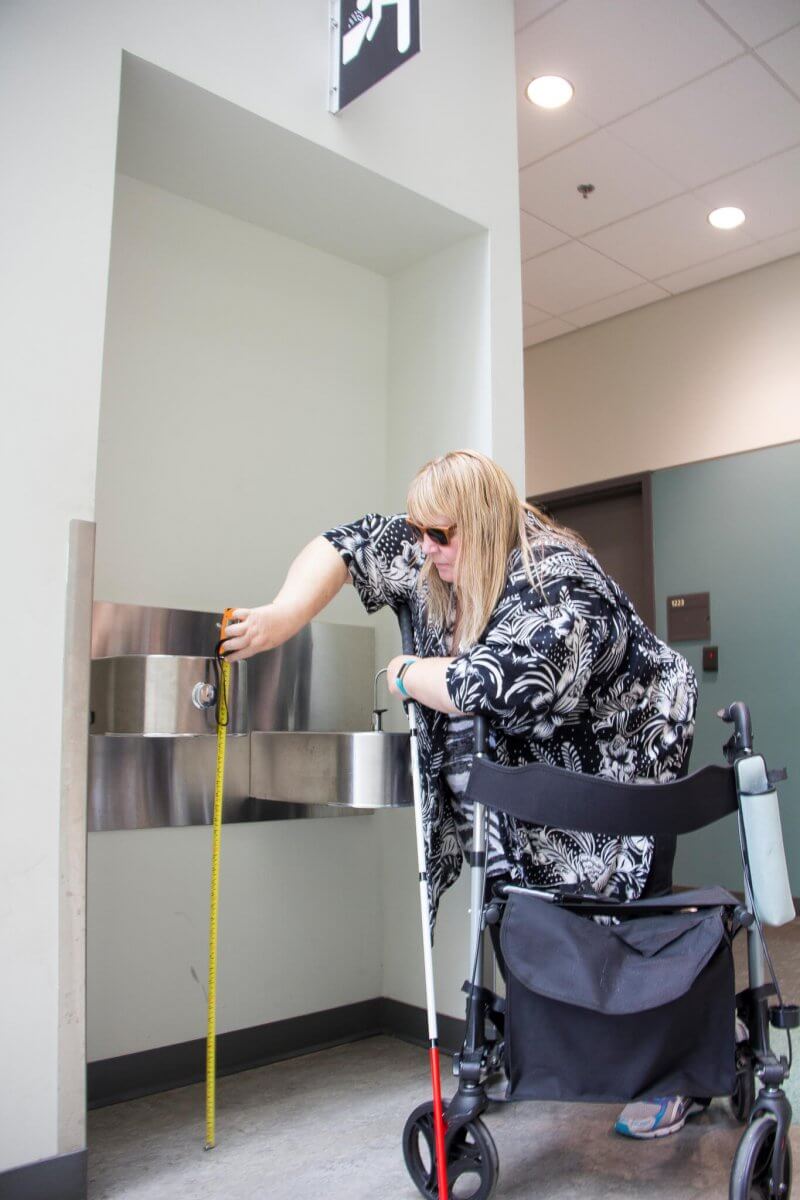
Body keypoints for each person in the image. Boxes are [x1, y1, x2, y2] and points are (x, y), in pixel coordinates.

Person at [221, 449, 699, 1138]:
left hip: (626, 761)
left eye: (439, 536)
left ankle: (673, 1075)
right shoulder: (432, 545)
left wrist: (406, 670)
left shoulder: (558, 579)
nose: (424, 548)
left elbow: (495, 686)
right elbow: (348, 544)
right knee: (528, 910)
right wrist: (281, 617)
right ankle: (557, 1051)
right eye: (418, 531)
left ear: (481, 524)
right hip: (537, 771)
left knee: (629, 915)